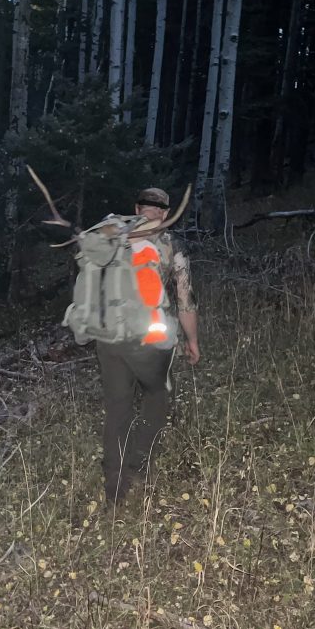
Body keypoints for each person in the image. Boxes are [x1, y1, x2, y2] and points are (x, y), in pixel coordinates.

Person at [95, 187, 199, 505]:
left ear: (137, 208)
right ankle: (140, 459)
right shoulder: (171, 244)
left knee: (118, 406)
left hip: (109, 335)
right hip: (151, 338)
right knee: (158, 394)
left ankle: (114, 486)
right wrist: (192, 340)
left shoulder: (113, 235)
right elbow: (185, 300)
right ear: (164, 212)